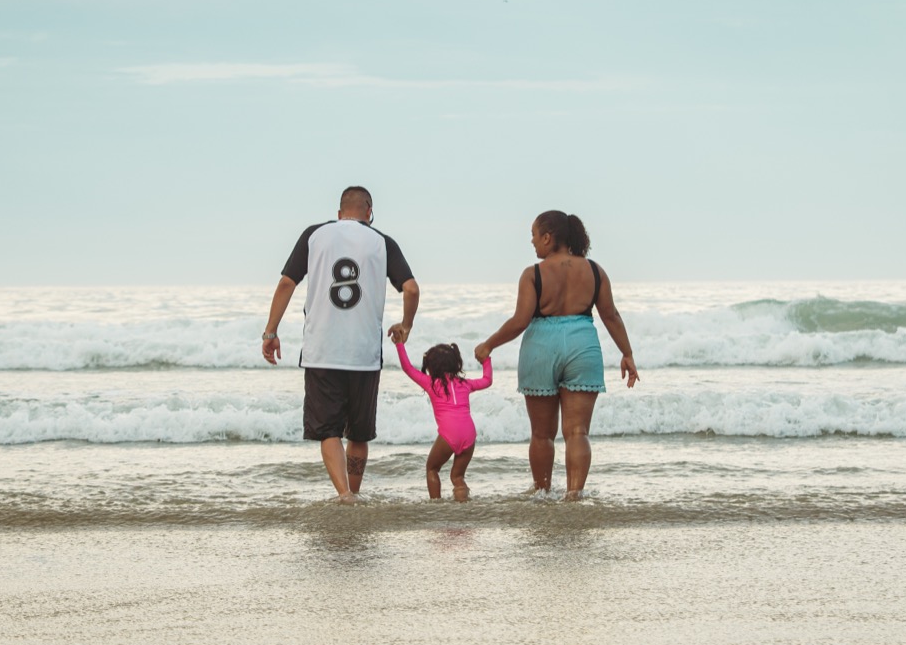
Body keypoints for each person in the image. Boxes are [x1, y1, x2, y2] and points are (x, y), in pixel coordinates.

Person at [262, 186, 419, 502]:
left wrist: (270, 332)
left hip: (322, 350)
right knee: (360, 433)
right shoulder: (382, 242)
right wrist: (406, 325)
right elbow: (412, 289)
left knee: (328, 431)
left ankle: (344, 493)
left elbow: (286, 283)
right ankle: (355, 494)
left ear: (338, 214)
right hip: (364, 354)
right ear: (369, 213)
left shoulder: (314, 235)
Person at [474, 210, 638, 500]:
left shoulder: (533, 274)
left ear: (548, 238)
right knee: (577, 432)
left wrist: (488, 345)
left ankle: (542, 493)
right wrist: (627, 353)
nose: (533, 243)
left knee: (541, 434)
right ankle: (574, 495)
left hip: (541, 347)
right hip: (582, 344)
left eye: (534, 236)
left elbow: (520, 320)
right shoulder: (595, 271)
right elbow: (610, 315)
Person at [393, 340, 492, 501]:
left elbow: (407, 368)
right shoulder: (465, 383)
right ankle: (464, 506)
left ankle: (436, 507)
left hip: (449, 434)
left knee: (432, 468)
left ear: (431, 367)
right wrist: (486, 360)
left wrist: (399, 344)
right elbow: (487, 380)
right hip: (469, 433)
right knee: (457, 476)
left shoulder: (430, 383)